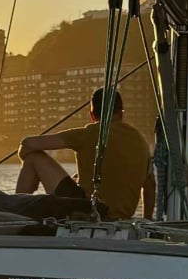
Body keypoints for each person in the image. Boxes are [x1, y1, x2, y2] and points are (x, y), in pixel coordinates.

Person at [16, 88, 154, 219]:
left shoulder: (89, 134)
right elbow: (150, 185)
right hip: (122, 217)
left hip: (86, 210)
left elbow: (28, 144)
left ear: (92, 116)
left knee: (33, 157)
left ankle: (17, 212)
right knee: (76, 178)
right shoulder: (140, 141)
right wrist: (147, 219)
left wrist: (27, 164)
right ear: (122, 113)